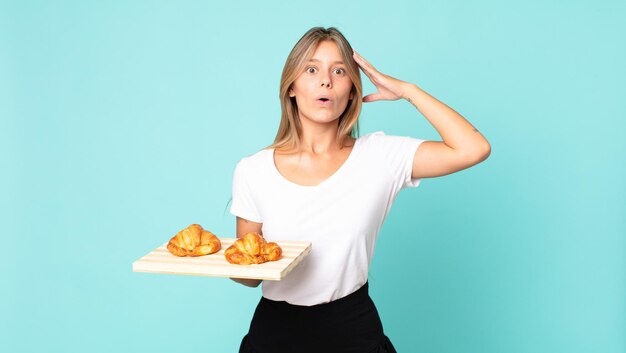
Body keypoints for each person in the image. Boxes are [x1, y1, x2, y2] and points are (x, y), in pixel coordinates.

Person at [229, 27, 491, 353]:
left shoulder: (379, 156)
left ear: (352, 91)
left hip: (352, 330)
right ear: (292, 86)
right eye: (312, 69)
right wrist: (230, 265)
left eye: (338, 71)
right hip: (275, 334)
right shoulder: (253, 170)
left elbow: (473, 148)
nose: (325, 80)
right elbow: (248, 276)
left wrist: (409, 91)